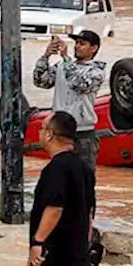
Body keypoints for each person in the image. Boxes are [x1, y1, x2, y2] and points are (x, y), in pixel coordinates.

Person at [29, 111, 96, 266]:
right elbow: (89, 212)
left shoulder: (55, 169)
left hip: (58, 255)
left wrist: (37, 242)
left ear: (50, 134)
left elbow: (54, 208)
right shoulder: (85, 168)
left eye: (41, 129)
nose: (39, 133)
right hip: (78, 254)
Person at [33, 31, 106, 171]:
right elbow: (41, 81)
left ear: (94, 48)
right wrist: (46, 56)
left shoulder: (97, 70)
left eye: (82, 44)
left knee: (84, 176)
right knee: (60, 174)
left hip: (83, 132)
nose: (77, 47)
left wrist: (66, 58)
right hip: (60, 131)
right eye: (76, 43)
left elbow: (79, 84)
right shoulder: (62, 66)